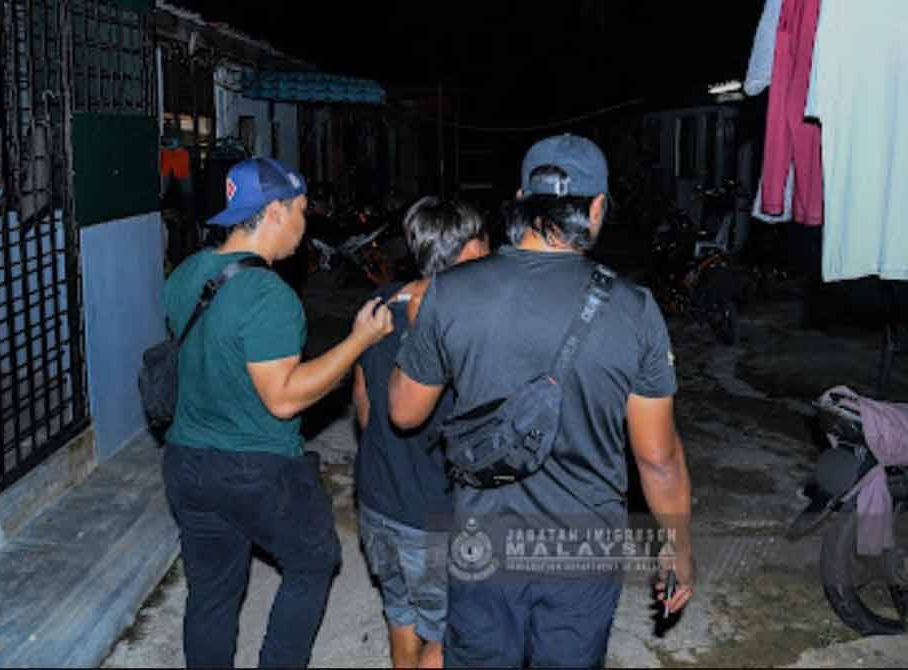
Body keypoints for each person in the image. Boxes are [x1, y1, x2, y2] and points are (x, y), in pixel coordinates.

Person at [389, 134, 695, 668]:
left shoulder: (450, 292)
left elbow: (405, 411)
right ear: (597, 208)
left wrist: (410, 337)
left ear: (521, 200)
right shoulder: (634, 309)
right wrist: (679, 547)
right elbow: (657, 458)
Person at [162, 156, 394, 668]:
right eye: (301, 211)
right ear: (274, 212)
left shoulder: (187, 274)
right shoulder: (269, 295)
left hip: (186, 462)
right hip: (256, 467)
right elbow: (284, 397)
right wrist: (358, 340)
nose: (305, 225)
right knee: (315, 561)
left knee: (212, 592)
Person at [352, 197, 489, 669]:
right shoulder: (465, 325)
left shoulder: (380, 305)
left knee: (402, 615)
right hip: (433, 515)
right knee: (459, 632)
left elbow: (366, 409)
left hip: (377, 502)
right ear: (469, 250)